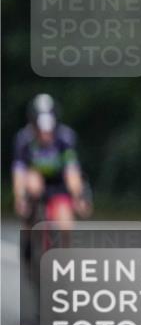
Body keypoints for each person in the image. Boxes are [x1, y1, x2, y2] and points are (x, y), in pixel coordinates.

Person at [12, 93, 91, 232]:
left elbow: (72, 170)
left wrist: (79, 196)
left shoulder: (66, 137)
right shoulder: (24, 139)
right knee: (33, 182)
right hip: (35, 185)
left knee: (66, 226)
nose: (45, 135)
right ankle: (31, 224)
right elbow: (19, 172)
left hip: (59, 183)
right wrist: (20, 198)